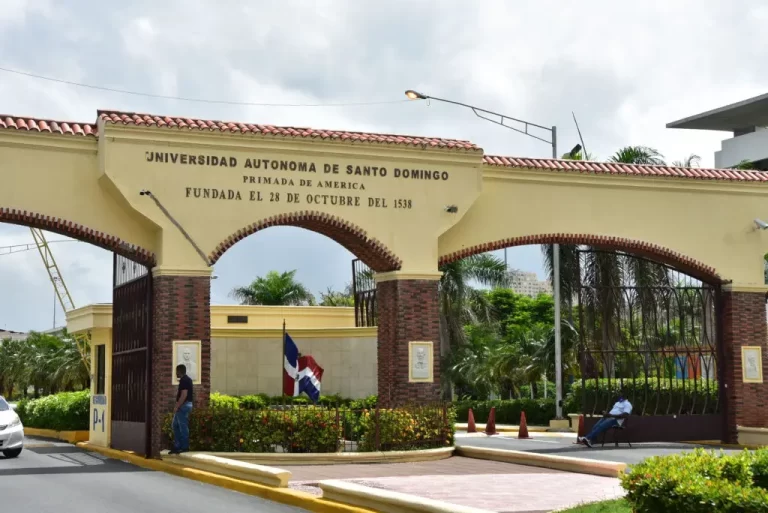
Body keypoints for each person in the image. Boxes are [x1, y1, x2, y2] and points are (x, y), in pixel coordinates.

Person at [169, 363, 194, 455]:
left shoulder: (184, 380)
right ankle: (177, 446)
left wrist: (177, 406)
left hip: (184, 405)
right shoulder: (188, 379)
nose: (176, 373)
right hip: (186, 405)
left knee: (182, 426)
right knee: (175, 425)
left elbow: (184, 395)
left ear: (180, 371)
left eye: (177, 371)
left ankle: (184, 447)